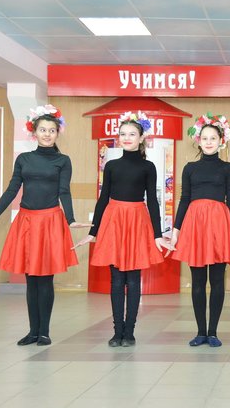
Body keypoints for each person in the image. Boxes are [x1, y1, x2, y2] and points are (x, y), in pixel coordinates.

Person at [0, 104, 89, 346]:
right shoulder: (24, 159)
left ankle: (44, 332)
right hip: (26, 222)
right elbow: (12, 190)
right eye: (43, 130)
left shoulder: (63, 161)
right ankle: (33, 331)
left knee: (45, 279)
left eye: (51, 130)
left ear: (57, 133)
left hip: (50, 222)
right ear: (34, 132)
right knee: (31, 279)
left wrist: (71, 219)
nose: (47, 134)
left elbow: (64, 191)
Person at [74, 111, 165, 347]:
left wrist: (157, 234)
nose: (126, 138)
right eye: (123, 134)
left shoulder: (148, 166)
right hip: (114, 221)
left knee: (133, 279)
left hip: (136, 221)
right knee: (116, 280)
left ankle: (130, 331)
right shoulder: (111, 165)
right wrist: (93, 232)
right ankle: (117, 332)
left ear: (141, 137)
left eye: (132, 134)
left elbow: (152, 201)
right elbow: (103, 198)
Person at [164, 113, 230, 348]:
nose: (209, 142)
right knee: (198, 281)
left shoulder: (228, 168)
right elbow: (184, 200)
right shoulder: (190, 168)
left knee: (218, 281)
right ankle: (200, 332)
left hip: (219, 225)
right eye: (205, 138)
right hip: (195, 225)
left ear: (221, 141)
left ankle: (213, 332)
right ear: (198, 141)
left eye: (213, 138)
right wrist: (175, 232)